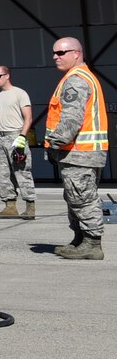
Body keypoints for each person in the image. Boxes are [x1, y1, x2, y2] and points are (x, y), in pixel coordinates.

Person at [44, 37, 106, 261]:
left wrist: (54, 143)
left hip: (79, 152)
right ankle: (80, 240)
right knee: (75, 196)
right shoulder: (79, 77)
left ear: (77, 53)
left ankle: (91, 243)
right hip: (80, 152)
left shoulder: (76, 80)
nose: (55, 56)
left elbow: (71, 119)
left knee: (82, 197)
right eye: (54, 53)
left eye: (61, 52)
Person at [0, 64, 36, 220]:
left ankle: (30, 206)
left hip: (15, 135)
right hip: (0, 137)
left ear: (7, 76)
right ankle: (10, 206)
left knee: (21, 171)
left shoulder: (20, 93)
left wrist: (22, 136)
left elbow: (28, 117)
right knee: (3, 172)